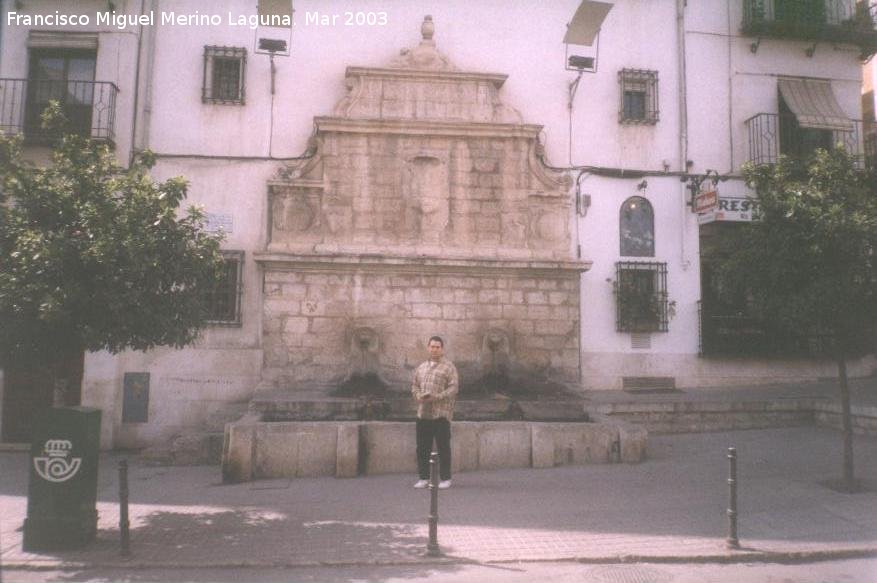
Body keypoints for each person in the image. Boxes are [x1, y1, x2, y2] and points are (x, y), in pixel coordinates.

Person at [411, 335, 459, 489]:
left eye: (438, 347)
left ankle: (446, 479)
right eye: (432, 346)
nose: (435, 349)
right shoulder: (421, 367)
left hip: (441, 413)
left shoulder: (449, 367)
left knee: (443, 447)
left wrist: (437, 397)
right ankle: (423, 478)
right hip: (423, 412)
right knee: (422, 447)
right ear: (428, 347)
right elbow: (415, 386)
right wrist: (419, 396)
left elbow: (453, 388)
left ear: (442, 349)